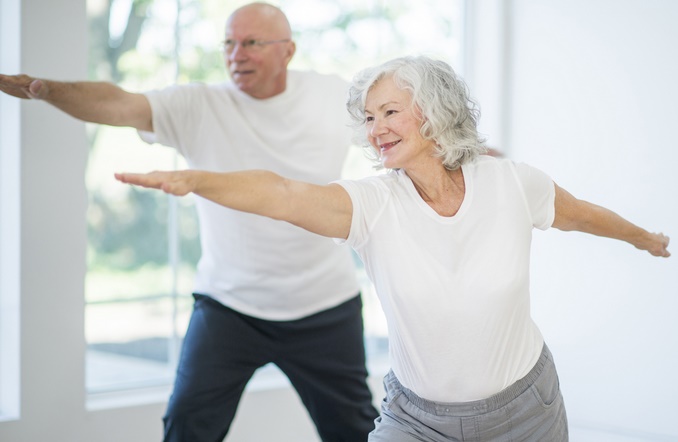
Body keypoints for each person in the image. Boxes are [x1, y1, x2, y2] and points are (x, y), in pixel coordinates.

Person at [115, 55, 671, 442]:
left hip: (526, 411)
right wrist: (198, 182)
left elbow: (582, 215)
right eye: (369, 116)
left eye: (390, 112)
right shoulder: (372, 205)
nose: (375, 128)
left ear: (433, 111)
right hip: (418, 421)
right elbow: (282, 193)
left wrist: (644, 238)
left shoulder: (511, 183)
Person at [0, 2, 380, 441]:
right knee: (187, 427)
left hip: (324, 307)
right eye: (229, 43)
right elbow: (119, 104)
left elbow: (398, 124)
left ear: (288, 51)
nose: (237, 54)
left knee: (355, 430)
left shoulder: (332, 96)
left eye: (252, 43)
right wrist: (44, 90)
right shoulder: (198, 104)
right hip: (229, 308)